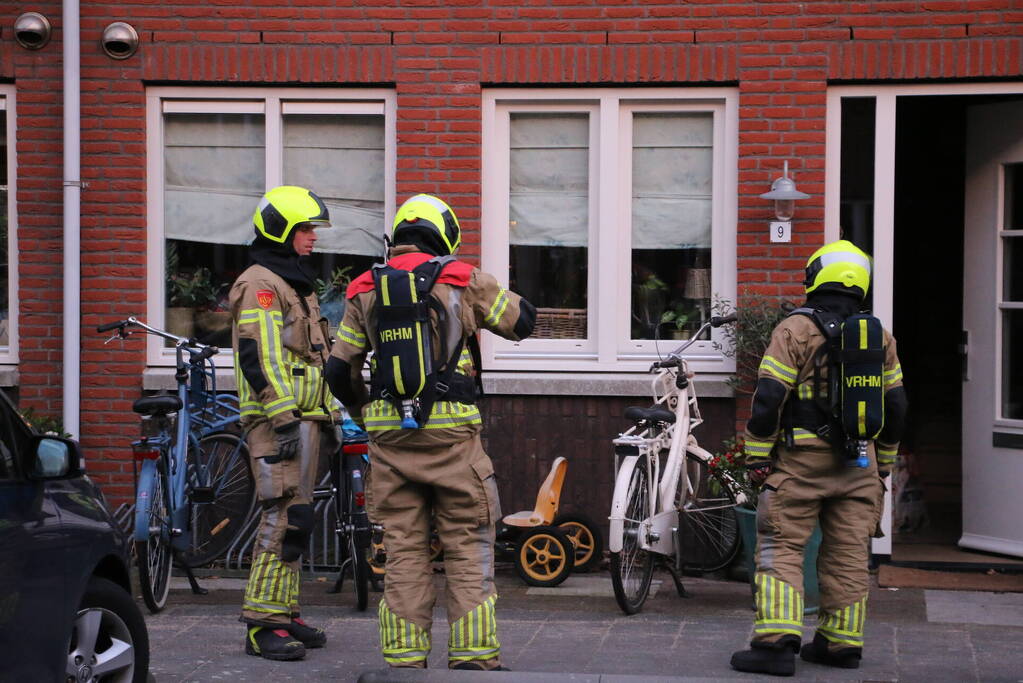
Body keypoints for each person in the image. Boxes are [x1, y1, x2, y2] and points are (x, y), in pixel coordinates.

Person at [325, 193, 536, 671]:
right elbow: (524, 322)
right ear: (446, 236)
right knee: (468, 545)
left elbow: (339, 373)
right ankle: (474, 660)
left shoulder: (364, 288)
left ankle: (403, 664)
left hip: (391, 443)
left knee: (403, 552)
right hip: (454, 443)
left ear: (397, 238)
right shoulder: (463, 279)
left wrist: (368, 413)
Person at [730, 239, 908, 676]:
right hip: (860, 467)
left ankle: (775, 646)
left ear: (815, 277)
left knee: (783, 546)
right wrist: (883, 462)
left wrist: (756, 457)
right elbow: (898, 407)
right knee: (849, 553)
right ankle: (840, 644)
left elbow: (769, 398)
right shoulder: (879, 335)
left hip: (801, 464)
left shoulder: (794, 329)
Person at [230, 185, 337, 661]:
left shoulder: (291, 282)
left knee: (298, 520)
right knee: (281, 516)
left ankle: (284, 612)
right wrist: (283, 417)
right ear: (283, 230)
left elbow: (314, 355)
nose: (313, 238)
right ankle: (262, 625)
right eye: (306, 229)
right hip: (281, 422)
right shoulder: (260, 284)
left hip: (306, 418)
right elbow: (260, 355)